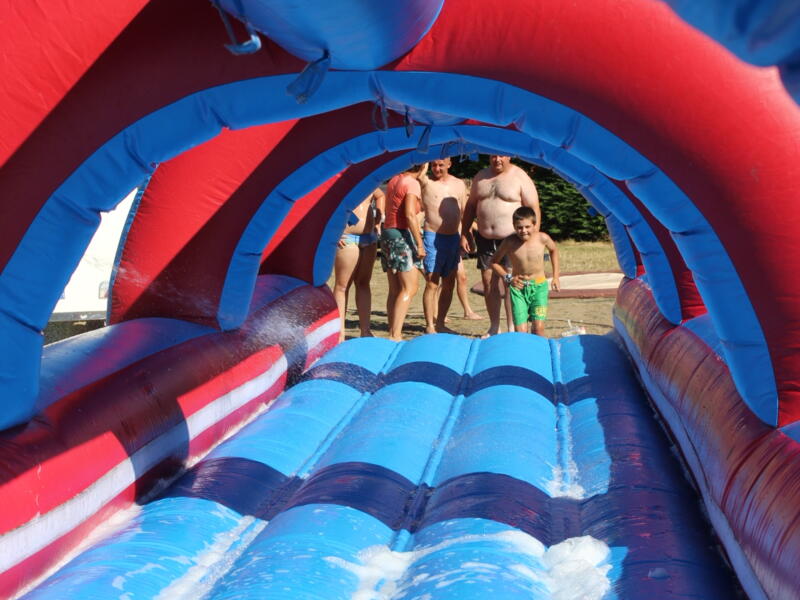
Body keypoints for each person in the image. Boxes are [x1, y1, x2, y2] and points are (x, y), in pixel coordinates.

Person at [461, 155, 540, 337]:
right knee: (489, 282)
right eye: (493, 156)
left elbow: (533, 208)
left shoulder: (520, 176)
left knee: (512, 282)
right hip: (485, 238)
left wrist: (533, 237)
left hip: (512, 239)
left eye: (501, 156)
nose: (497, 159)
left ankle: (513, 326)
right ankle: (494, 326)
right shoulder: (481, 177)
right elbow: (471, 207)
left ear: (508, 156)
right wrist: (465, 232)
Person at [489, 206, 560, 336]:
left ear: (534, 225)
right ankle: (523, 349)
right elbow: (493, 262)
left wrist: (556, 277)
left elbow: (553, 250)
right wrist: (508, 278)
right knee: (520, 331)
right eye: (519, 227)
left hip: (539, 287)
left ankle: (538, 348)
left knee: (538, 328)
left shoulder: (542, 238)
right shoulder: (509, 242)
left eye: (527, 227)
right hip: (518, 289)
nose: (523, 231)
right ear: (514, 226)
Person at [419, 158, 468, 334]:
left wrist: (466, 235)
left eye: (441, 165)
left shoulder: (459, 184)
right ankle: (430, 325)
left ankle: (440, 322)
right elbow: (419, 175)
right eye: (434, 165)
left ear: (449, 164)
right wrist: (425, 162)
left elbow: (464, 212)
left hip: (453, 237)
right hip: (433, 236)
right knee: (432, 281)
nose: (437, 169)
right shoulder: (426, 181)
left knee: (449, 282)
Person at [380, 164, 427, 341]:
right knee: (410, 288)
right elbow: (409, 215)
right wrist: (420, 244)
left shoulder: (394, 179)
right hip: (400, 234)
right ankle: (395, 334)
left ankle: (392, 330)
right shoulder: (412, 183)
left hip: (387, 233)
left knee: (395, 289)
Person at [332, 188, 384, 343]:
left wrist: (379, 219)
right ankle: (339, 332)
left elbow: (380, 195)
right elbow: (328, 204)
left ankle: (365, 330)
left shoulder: (370, 181)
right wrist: (334, 231)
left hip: (369, 237)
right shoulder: (344, 182)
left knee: (363, 283)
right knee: (342, 286)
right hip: (347, 237)